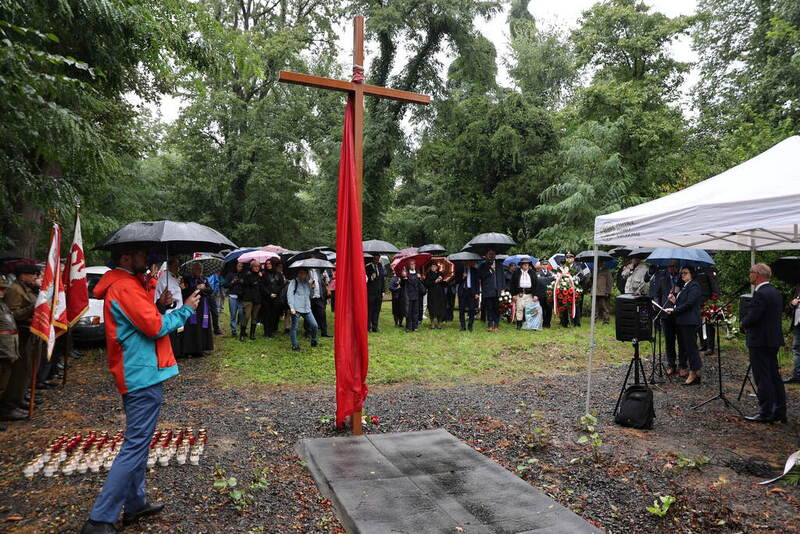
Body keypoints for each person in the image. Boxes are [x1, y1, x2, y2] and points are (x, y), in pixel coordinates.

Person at [80, 247, 200, 534]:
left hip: (138, 369)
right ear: (125, 258)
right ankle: (100, 519)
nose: (148, 261)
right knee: (135, 445)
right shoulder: (124, 286)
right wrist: (186, 309)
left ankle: (135, 503)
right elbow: (154, 328)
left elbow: (139, 321)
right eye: (142, 255)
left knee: (140, 442)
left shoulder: (126, 284)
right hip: (140, 373)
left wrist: (158, 304)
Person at [740, 263, 787, 423]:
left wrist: (743, 323)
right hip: (773, 339)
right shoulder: (775, 292)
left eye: (751, 272)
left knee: (763, 376)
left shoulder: (760, 293)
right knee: (774, 375)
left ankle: (766, 411)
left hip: (760, 340)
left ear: (758, 274)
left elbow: (755, 315)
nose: (749, 275)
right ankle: (780, 410)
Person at [0, 264, 39, 419]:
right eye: (32, 274)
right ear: (23, 275)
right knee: (16, 373)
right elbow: (14, 315)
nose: (35, 277)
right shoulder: (15, 290)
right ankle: (9, 404)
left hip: (22, 335)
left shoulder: (26, 288)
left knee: (25, 370)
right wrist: (32, 308)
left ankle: (18, 398)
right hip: (15, 337)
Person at [664, 266, 703, 385]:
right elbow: (683, 303)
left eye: (685, 273)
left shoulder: (694, 286)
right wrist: (674, 301)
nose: (682, 275)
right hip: (684, 321)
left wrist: (674, 310)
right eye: (682, 273)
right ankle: (696, 372)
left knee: (691, 348)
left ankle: (693, 373)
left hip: (690, 321)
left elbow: (690, 303)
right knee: (689, 347)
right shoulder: (686, 286)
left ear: (692, 274)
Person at [649, 261, 680, 375]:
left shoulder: (682, 277)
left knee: (682, 341)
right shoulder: (661, 276)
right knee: (669, 340)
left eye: (674, 266)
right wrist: (658, 306)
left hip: (680, 313)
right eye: (670, 266)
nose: (672, 268)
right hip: (666, 313)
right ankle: (671, 364)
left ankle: (683, 365)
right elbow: (656, 293)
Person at [0, 275, 22, 427]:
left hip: (8, 350)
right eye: (1, 289)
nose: (4, 292)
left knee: (3, 385)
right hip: (2, 350)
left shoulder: (3, 305)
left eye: (4, 289)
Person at [181, 262, 214, 357]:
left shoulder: (204, 279)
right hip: (192, 306)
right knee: (192, 328)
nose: (199, 271)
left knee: (202, 327)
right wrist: (197, 287)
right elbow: (185, 292)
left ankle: (201, 348)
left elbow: (210, 290)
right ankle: (190, 350)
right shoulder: (187, 279)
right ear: (193, 270)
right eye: (197, 269)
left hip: (203, 307)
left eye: (201, 269)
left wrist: (203, 289)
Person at [153, 257, 184, 358]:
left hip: (177, 309)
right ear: (169, 265)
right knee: (171, 335)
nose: (177, 268)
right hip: (169, 310)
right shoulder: (164, 278)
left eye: (178, 266)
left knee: (177, 333)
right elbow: (165, 295)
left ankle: (177, 353)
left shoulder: (173, 277)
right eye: (175, 265)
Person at [287, 268, 318, 351]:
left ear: (306, 274)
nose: (302, 275)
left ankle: (313, 340)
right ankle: (295, 345)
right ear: (297, 273)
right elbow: (290, 295)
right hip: (296, 308)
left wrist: (312, 287)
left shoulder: (307, 283)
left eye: (304, 273)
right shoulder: (294, 282)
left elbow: (311, 295)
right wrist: (291, 307)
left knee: (314, 325)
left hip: (307, 308)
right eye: (300, 273)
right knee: (295, 327)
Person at [695, 264, 721, 355]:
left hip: (707, 300)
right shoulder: (694, 268)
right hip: (697, 299)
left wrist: (714, 297)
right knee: (699, 323)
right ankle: (703, 344)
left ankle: (710, 346)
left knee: (709, 324)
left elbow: (713, 283)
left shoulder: (708, 268)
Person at [478, 250, 505, 331]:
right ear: (486, 255)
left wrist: (503, 288)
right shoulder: (483, 265)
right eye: (489, 254)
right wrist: (490, 270)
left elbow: (502, 277)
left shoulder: (499, 265)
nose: (491, 256)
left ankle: (496, 325)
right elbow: (481, 276)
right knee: (489, 308)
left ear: (495, 255)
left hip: (497, 290)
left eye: (493, 254)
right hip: (488, 290)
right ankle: (490, 325)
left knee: (497, 308)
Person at [510, 258, 536, 330]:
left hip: (530, 294)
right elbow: (512, 284)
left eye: (527, 263)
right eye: (524, 263)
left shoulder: (532, 272)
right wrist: (513, 294)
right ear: (521, 265)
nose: (526, 265)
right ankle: (519, 325)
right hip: (520, 294)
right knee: (519, 309)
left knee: (531, 309)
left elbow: (536, 284)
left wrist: (535, 295)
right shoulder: (516, 272)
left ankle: (531, 325)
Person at [239, 260, 262, 341]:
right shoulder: (248, 274)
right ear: (251, 267)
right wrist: (259, 277)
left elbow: (261, 286)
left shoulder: (260, 275)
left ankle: (252, 334)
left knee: (255, 317)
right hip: (248, 299)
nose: (257, 268)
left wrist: (260, 277)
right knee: (246, 316)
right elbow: (253, 283)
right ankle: (242, 334)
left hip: (257, 299)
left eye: (258, 266)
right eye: (255, 266)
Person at [261, 260, 285, 338]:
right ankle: (266, 332)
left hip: (276, 298)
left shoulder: (278, 274)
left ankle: (272, 331)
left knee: (274, 315)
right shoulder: (264, 274)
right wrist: (269, 294)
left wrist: (276, 293)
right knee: (266, 315)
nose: (268, 265)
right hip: (266, 298)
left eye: (270, 264)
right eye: (267, 264)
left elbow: (282, 285)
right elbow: (262, 286)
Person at [222, 262, 245, 338]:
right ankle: (234, 331)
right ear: (236, 266)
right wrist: (232, 282)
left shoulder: (244, 275)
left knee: (242, 314)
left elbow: (247, 286)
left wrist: (243, 282)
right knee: (233, 315)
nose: (240, 268)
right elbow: (225, 285)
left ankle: (242, 331)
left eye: (242, 266)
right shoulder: (230, 274)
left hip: (241, 297)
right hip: (232, 297)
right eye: (239, 266)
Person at [401, 259, 425, 332]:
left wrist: (420, 278)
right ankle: (409, 327)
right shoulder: (406, 273)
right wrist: (404, 278)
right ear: (409, 265)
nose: (413, 265)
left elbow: (420, 284)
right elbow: (402, 284)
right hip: (408, 295)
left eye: (414, 264)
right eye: (411, 264)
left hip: (416, 295)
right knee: (409, 312)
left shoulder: (418, 272)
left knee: (416, 312)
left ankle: (415, 327)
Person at [457, 260, 480, 332]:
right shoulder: (460, 269)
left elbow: (477, 282)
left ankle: (470, 326)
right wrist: (462, 277)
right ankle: (463, 326)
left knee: (472, 309)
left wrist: (477, 293)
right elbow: (456, 281)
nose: (466, 263)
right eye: (465, 262)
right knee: (461, 309)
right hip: (462, 291)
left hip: (471, 292)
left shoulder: (474, 270)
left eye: (468, 261)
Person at [784, 283, 800, 384]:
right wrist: (792, 303)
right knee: (796, 349)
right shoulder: (798, 287)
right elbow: (792, 304)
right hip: (797, 324)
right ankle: (797, 376)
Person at [307, 268, 330, 338]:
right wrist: (309, 283)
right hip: (309, 297)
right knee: (308, 315)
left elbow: (322, 283)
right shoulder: (306, 271)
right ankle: (308, 332)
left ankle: (324, 332)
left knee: (322, 314)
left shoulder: (319, 271)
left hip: (319, 297)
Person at [424, 262, 447, 329]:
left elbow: (445, 284)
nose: (433, 268)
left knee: (440, 308)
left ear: (437, 267)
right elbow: (426, 284)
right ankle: (432, 323)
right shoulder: (428, 274)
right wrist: (435, 281)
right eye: (432, 267)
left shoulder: (440, 274)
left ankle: (439, 323)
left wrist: (441, 280)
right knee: (432, 308)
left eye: (435, 267)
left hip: (440, 293)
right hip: (432, 294)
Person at [366, 254, 385, 333]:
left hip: (379, 292)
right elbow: (364, 279)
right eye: (376, 258)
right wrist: (371, 277)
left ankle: (375, 327)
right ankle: (368, 327)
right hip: (371, 292)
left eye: (378, 258)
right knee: (370, 310)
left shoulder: (380, 266)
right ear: (373, 258)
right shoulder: (368, 267)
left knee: (377, 310)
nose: (377, 260)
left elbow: (382, 279)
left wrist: (383, 290)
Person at [534, 262, 553, 328]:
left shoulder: (551, 273)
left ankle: (548, 323)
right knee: (542, 309)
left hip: (549, 294)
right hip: (541, 294)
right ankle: (543, 322)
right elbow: (536, 284)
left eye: (546, 264)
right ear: (541, 265)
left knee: (549, 309)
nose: (545, 266)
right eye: (543, 264)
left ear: (548, 265)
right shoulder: (537, 273)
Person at [206, 270, 223, 335]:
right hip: (203, 296)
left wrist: (214, 292)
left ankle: (216, 329)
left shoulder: (213, 274)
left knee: (214, 312)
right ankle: (206, 329)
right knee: (205, 313)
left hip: (211, 295)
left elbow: (217, 282)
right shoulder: (201, 275)